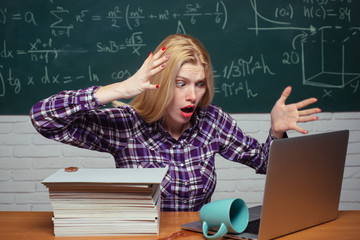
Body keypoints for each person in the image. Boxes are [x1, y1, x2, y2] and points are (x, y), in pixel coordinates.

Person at [30, 34, 321, 211]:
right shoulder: (127, 126)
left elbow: (265, 163)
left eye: (200, 84)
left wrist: (276, 132)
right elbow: (44, 119)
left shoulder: (212, 122)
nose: (192, 95)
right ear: (160, 83)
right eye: (181, 83)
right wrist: (118, 90)